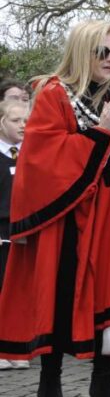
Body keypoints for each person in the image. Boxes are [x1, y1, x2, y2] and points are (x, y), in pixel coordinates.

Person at [0, 20, 110, 397]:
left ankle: (102, 386)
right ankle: (49, 386)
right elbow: (43, 156)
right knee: (60, 294)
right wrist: (104, 130)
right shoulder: (54, 93)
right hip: (67, 216)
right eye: (102, 52)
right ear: (81, 52)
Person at [0, 100, 29, 370]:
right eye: (15, 120)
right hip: (1, 231)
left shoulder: (32, 155)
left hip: (25, 230)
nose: (22, 125)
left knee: (21, 290)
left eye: (25, 121)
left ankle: (18, 346)